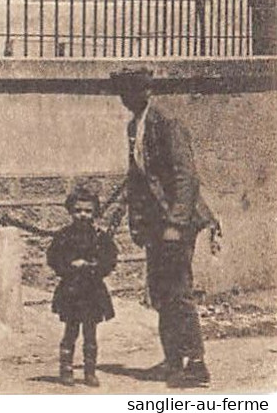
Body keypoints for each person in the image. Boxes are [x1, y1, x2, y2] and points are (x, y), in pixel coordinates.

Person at [113, 67, 216, 389]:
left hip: (177, 223)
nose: (127, 97)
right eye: (123, 91)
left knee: (178, 290)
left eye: (133, 89)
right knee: (160, 291)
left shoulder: (166, 123)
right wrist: (137, 224)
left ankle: (196, 364)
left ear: (147, 90)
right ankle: (173, 360)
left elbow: (187, 177)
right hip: (156, 225)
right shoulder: (135, 127)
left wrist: (175, 223)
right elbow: (139, 181)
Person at [46, 185, 118, 387]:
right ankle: (66, 369)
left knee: (90, 332)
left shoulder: (100, 237)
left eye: (88, 211)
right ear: (70, 211)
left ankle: (90, 371)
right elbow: (53, 258)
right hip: (71, 290)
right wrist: (69, 266)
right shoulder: (64, 235)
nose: (83, 215)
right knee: (70, 330)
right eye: (78, 211)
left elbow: (110, 260)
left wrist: (93, 266)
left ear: (95, 212)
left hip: (92, 291)